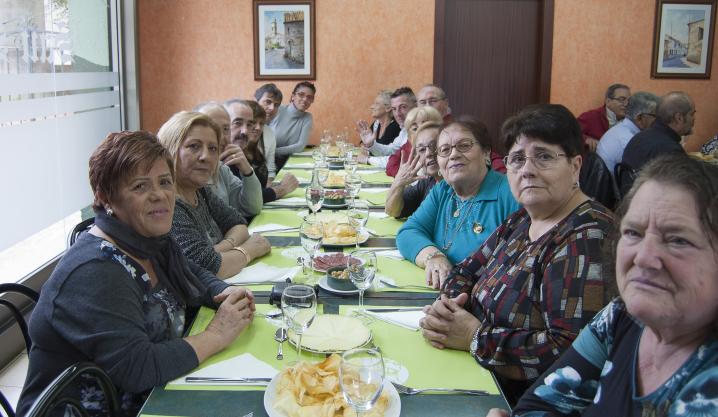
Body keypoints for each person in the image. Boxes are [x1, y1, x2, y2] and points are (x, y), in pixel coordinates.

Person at [16, 131, 256, 416]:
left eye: (165, 182)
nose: (159, 195)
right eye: (140, 186)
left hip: (150, 395)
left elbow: (191, 272)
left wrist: (223, 291)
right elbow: (137, 368)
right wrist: (216, 335)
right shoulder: (96, 270)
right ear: (106, 198)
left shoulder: (150, 239)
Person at [420, 104, 614, 402]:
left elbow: (568, 353)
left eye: (544, 157)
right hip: (471, 370)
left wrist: (474, 336)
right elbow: (466, 270)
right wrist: (450, 308)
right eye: (518, 159)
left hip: (515, 401)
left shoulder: (588, 236)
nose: (527, 170)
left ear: (575, 166)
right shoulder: (524, 218)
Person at [501, 154, 718, 416]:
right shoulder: (620, 317)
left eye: (678, 240)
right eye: (633, 233)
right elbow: (538, 406)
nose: (643, 257)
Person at [396, 116, 520, 288]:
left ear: (486, 153)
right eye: (445, 150)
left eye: (464, 146)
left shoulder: (510, 194)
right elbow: (408, 232)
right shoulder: (443, 190)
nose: (454, 155)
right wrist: (434, 257)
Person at [157, 111, 271, 278]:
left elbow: (239, 224)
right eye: (194, 146)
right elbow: (208, 268)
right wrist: (248, 250)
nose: (206, 156)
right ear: (169, 150)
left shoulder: (201, 191)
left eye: (212, 148)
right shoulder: (167, 204)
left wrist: (220, 249)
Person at [194, 101, 263, 220]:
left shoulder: (222, 169)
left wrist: (247, 171)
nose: (221, 136)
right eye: (212, 128)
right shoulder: (187, 172)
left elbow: (253, 207)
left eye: (226, 129)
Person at [225, 99, 299, 203]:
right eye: (254, 123)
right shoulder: (229, 157)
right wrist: (281, 189)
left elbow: (258, 190)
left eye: (261, 123)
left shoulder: (254, 150)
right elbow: (245, 199)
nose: (258, 128)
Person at [621, 91, 694, 179]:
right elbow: (681, 185)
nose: (694, 119)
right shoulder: (670, 150)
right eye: (692, 114)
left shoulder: (639, 137)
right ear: (679, 118)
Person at [385, 121, 442, 218]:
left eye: (434, 146)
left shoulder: (457, 187)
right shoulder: (427, 182)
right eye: (422, 150)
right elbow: (392, 211)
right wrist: (398, 182)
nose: (428, 153)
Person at [596, 91, 659, 176]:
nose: (659, 121)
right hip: (615, 183)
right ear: (640, 118)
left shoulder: (621, 128)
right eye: (656, 116)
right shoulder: (630, 141)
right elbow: (643, 176)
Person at [359, 87, 417, 168]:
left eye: (403, 107)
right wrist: (371, 144)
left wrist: (368, 160)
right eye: (394, 109)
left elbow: (399, 160)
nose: (397, 114)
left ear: (415, 106)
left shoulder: (420, 129)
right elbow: (391, 150)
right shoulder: (405, 130)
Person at [270, 81, 315, 170]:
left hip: (291, 161)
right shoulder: (277, 109)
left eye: (309, 97)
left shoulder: (307, 118)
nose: (305, 99)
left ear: (312, 101)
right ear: (293, 96)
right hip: (268, 161)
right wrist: (269, 153)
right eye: (301, 95)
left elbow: (300, 147)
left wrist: (274, 151)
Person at [577, 83, 630, 152]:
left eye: (629, 100)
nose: (626, 104)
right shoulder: (591, 116)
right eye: (621, 99)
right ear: (608, 101)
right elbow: (569, 132)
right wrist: (586, 139)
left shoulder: (631, 120)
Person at [254, 83, 282, 184]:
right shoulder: (241, 130)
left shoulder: (270, 133)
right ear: (255, 101)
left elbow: (270, 169)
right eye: (268, 102)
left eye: (276, 105)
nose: (272, 108)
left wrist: (270, 188)